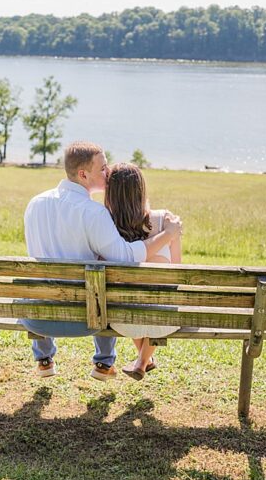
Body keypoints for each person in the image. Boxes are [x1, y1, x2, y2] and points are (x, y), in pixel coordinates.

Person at [20, 141, 182, 381]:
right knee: (104, 283)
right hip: (86, 319)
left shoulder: (35, 203)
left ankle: (45, 358)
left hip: (36, 318)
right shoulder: (94, 213)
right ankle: (105, 363)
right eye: (103, 168)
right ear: (83, 174)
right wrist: (168, 234)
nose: (108, 172)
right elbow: (125, 258)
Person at [104, 162, 181, 380]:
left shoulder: (105, 223)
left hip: (123, 321)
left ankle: (142, 360)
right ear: (141, 188)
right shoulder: (166, 220)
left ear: (111, 194)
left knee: (131, 299)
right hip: (165, 321)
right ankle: (142, 361)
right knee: (156, 303)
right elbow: (177, 270)